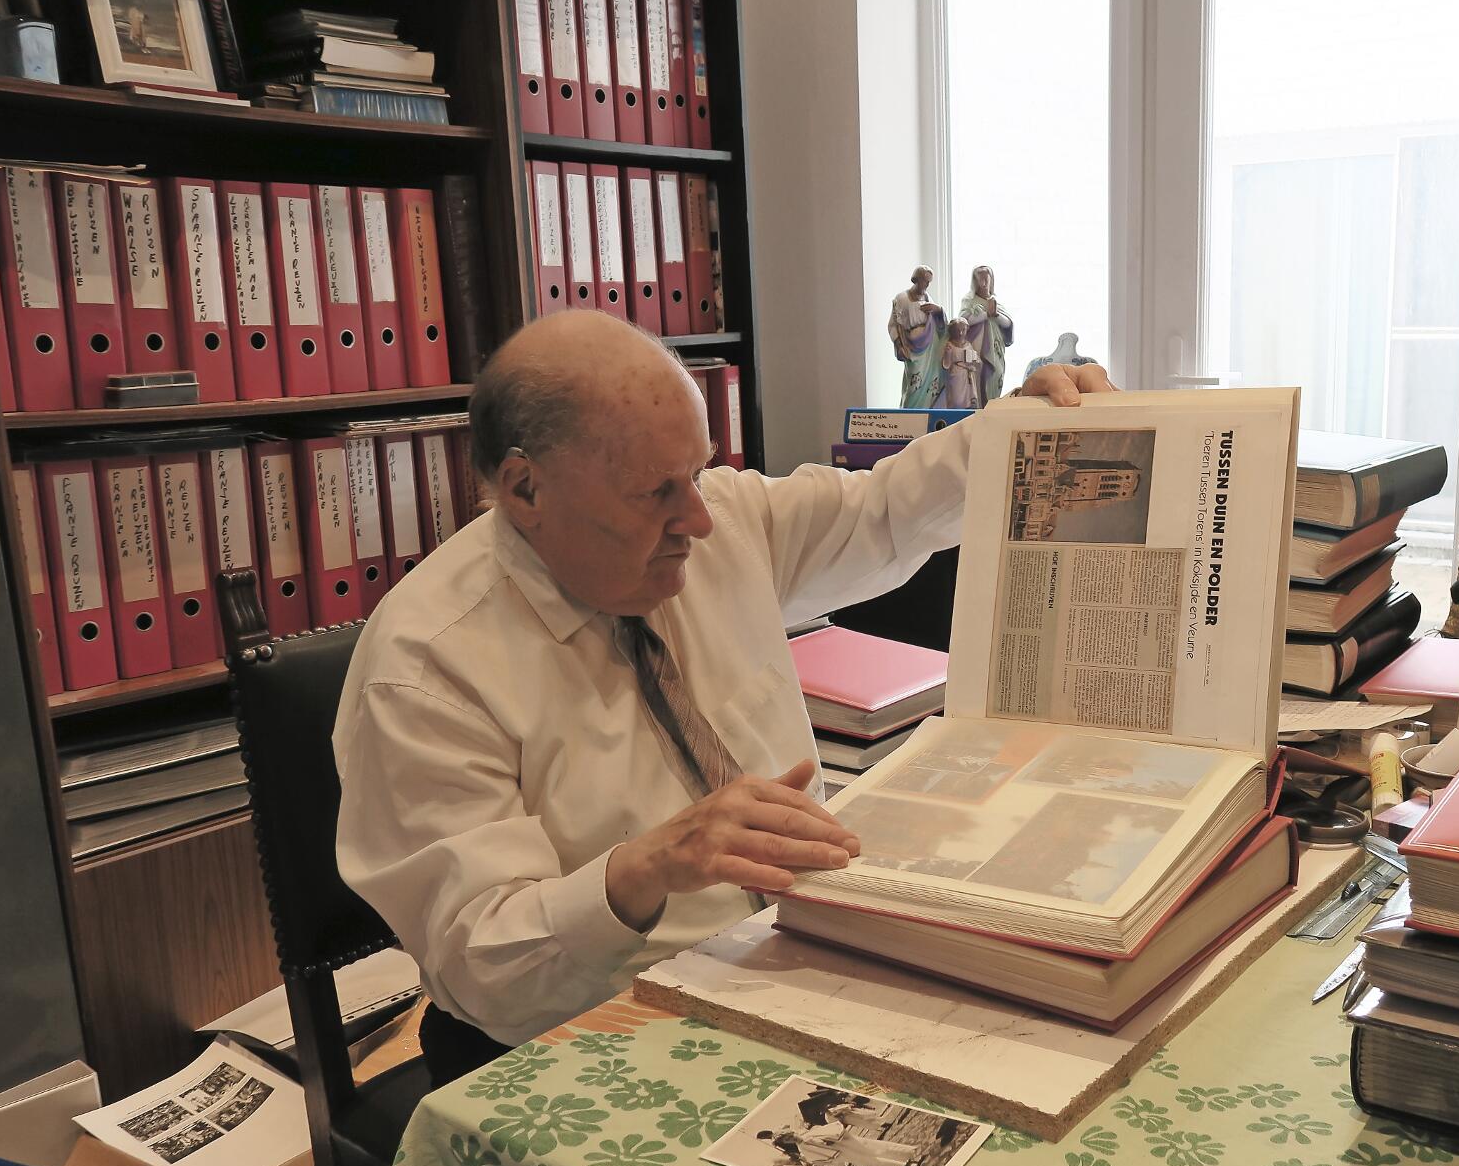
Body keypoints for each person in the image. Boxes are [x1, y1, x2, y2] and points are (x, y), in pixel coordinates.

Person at [333, 310, 1114, 1084]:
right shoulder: (426, 667)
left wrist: (1016, 430)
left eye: (700, 472)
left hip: (785, 960)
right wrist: (646, 868)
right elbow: (483, 971)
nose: (699, 519)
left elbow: (882, 512)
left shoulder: (722, 523)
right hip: (575, 1039)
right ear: (526, 486)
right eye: (656, 492)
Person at [888, 266, 948, 408]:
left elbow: (941, 324)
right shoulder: (902, 298)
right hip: (912, 348)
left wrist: (938, 310)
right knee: (913, 385)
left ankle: (927, 411)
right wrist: (899, 345)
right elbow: (893, 325)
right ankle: (910, 414)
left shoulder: (927, 297)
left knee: (930, 384)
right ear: (917, 279)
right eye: (925, 281)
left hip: (930, 347)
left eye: (929, 282)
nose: (927, 285)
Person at [959, 265, 1013, 403]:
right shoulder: (969, 301)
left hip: (995, 350)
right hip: (976, 347)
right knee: (976, 377)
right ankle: (976, 406)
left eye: (986, 279)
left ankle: (991, 405)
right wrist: (984, 315)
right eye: (980, 279)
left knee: (995, 375)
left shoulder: (997, 302)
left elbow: (1008, 324)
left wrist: (995, 315)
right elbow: (963, 321)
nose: (983, 283)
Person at [940, 318, 982, 409]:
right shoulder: (950, 345)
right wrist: (947, 353)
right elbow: (946, 364)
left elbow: (975, 358)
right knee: (957, 399)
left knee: (969, 399)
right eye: (957, 330)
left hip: (968, 375)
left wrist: (976, 361)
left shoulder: (968, 345)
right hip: (956, 374)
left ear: (967, 330)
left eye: (963, 330)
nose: (960, 333)